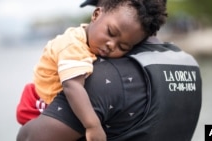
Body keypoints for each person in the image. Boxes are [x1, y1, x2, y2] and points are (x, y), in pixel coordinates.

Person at [17, 0, 201, 141]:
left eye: (122, 44)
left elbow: (29, 137)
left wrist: (92, 126)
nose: (110, 45)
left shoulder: (105, 77)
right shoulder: (189, 65)